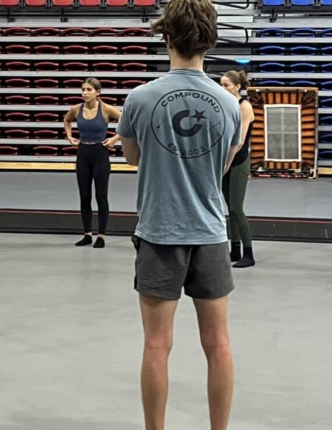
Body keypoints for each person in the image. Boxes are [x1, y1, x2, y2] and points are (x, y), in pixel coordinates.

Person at [117, 0, 240, 428]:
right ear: (210, 38)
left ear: (166, 37)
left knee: (156, 345)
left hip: (159, 232)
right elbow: (222, 164)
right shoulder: (228, 104)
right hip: (209, 232)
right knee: (218, 343)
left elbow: (133, 157)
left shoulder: (139, 98)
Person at [62, 77, 122, 248]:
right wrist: (69, 136)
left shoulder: (106, 109)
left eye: (89, 90)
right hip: (83, 154)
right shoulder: (76, 109)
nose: (85, 93)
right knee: (84, 196)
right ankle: (87, 233)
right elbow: (67, 120)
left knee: (101, 197)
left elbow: (127, 122)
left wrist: (115, 139)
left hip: (100, 154)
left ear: (98, 92)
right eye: (83, 90)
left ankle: (101, 235)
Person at [218, 70, 256, 268]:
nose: (223, 88)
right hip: (226, 161)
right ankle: (234, 249)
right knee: (228, 209)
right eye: (221, 85)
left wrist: (226, 164)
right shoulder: (226, 105)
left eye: (227, 85)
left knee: (236, 208)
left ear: (238, 87)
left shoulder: (244, 106)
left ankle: (248, 252)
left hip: (238, 161)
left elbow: (239, 141)